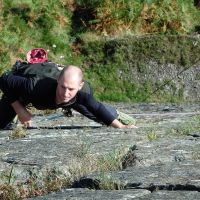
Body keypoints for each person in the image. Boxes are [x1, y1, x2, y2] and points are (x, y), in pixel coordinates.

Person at [0, 59, 137, 130]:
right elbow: (4, 79)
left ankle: (117, 115)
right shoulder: (35, 86)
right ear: (58, 81)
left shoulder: (83, 92)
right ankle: (13, 114)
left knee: (101, 117)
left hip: (74, 100)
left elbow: (96, 107)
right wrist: (19, 109)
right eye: (63, 87)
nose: (65, 93)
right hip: (20, 93)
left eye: (71, 89)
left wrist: (121, 126)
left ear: (80, 86)